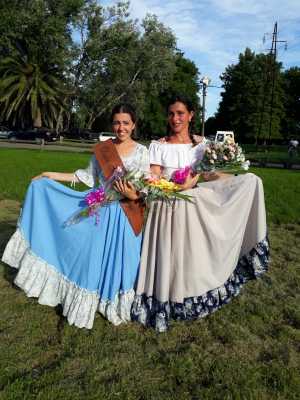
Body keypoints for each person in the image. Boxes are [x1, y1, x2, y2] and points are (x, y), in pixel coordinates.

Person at [2, 103, 149, 329]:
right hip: (100, 211)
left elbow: (144, 188)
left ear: (134, 125)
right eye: (117, 122)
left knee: (119, 262)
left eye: (126, 123)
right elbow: (87, 178)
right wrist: (50, 175)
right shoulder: (103, 148)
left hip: (125, 216)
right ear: (112, 124)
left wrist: (132, 193)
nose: (121, 127)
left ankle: (109, 300)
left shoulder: (142, 152)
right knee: (90, 259)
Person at [132, 95, 269, 332]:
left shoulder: (201, 145)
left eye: (180, 113)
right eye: (172, 113)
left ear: (191, 115)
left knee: (190, 254)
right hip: (167, 205)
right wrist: (173, 186)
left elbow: (210, 176)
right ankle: (165, 296)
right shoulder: (159, 145)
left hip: (192, 206)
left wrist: (238, 178)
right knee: (169, 254)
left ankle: (189, 294)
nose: (175, 118)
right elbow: (154, 177)